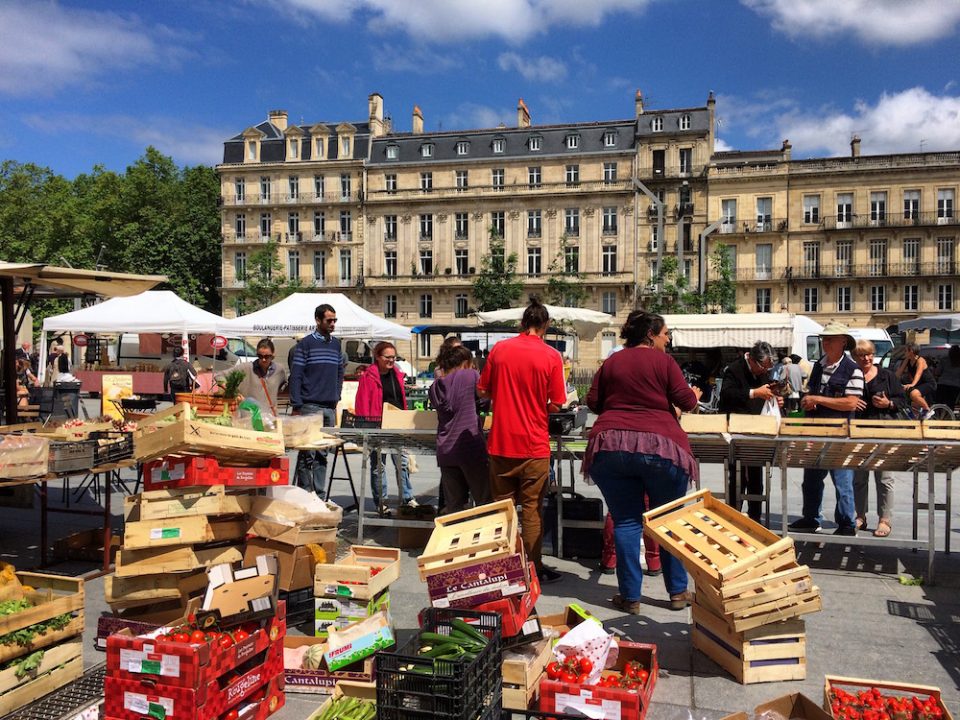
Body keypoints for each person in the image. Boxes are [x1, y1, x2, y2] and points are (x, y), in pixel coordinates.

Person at [584, 310, 701, 614]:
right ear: (651, 333)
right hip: (661, 447)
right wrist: (693, 393)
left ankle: (630, 597)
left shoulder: (611, 362)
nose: (668, 338)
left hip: (611, 447)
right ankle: (677, 592)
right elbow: (687, 402)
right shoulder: (664, 362)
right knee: (668, 521)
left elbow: (593, 402)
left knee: (625, 520)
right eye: (666, 333)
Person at [477, 298, 567, 585]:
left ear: (522, 323)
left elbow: (483, 390)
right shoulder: (552, 356)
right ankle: (531, 567)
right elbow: (556, 404)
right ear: (546, 326)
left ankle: (502, 566)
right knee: (531, 510)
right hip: (534, 445)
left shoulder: (500, 350)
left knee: (501, 510)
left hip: (501, 443)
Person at [789, 323, 864, 535]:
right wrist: (808, 402)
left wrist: (818, 399)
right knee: (811, 480)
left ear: (843, 342)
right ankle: (811, 517)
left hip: (840, 434)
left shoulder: (853, 369)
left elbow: (851, 403)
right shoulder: (818, 366)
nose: (825, 342)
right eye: (824, 338)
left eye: (830, 339)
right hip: (816, 431)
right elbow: (811, 394)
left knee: (842, 481)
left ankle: (847, 523)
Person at [718, 341, 781, 522]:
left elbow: (765, 391)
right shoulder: (734, 369)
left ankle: (755, 518)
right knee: (737, 478)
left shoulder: (763, 371)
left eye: (768, 367)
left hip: (756, 430)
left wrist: (774, 397)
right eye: (763, 366)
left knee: (756, 477)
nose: (764, 371)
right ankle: (732, 517)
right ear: (752, 360)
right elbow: (728, 394)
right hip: (735, 431)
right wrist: (754, 393)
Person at [851, 339, 907, 538]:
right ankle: (860, 516)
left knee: (884, 478)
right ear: (854, 357)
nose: (866, 358)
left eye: (869, 354)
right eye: (861, 355)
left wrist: (888, 403)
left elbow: (902, 400)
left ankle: (885, 519)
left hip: (883, 430)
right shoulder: (852, 376)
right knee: (859, 477)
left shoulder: (887, 376)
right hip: (858, 432)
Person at [289, 304, 346, 496]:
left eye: (334, 320)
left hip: (329, 406)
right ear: (318, 320)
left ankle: (320, 495)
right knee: (307, 453)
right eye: (329, 320)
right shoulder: (305, 344)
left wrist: (337, 394)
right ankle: (305, 493)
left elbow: (340, 372)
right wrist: (296, 404)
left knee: (323, 453)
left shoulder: (336, 344)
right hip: (309, 406)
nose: (332, 324)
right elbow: (295, 375)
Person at [429, 345, 491, 514]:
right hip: (469, 448)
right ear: (466, 362)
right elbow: (485, 401)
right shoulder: (470, 376)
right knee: (485, 502)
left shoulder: (435, 387)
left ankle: (456, 539)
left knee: (454, 507)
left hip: (445, 450)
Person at [355, 341, 415, 514]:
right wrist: (365, 425)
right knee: (378, 465)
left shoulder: (396, 374)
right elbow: (362, 402)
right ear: (377, 357)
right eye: (387, 357)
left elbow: (402, 400)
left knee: (402, 463)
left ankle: (407, 498)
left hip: (398, 424)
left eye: (393, 357)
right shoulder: (368, 376)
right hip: (377, 425)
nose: (391, 360)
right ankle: (382, 502)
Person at [226, 339, 288, 417]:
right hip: (249, 417)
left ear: (273, 355)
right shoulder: (246, 367)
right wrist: (235, 393)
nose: (263, 359)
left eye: (267, 356)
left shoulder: (279, 369)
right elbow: (219, 377)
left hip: (271, 418)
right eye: (260, 356)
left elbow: (284, 387)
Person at [897, 343, 936, 419]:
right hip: (918, 384)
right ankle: (915, 421)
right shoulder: (907, 360)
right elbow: (899, 372)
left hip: (929, 383)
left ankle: (927, 410)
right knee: (907, 400)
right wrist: (891, 380)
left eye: (906, 351)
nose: (904, 352)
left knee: (913, 394)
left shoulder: (920, 361)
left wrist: (912, 384)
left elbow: (918, 374)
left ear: (911, 351)